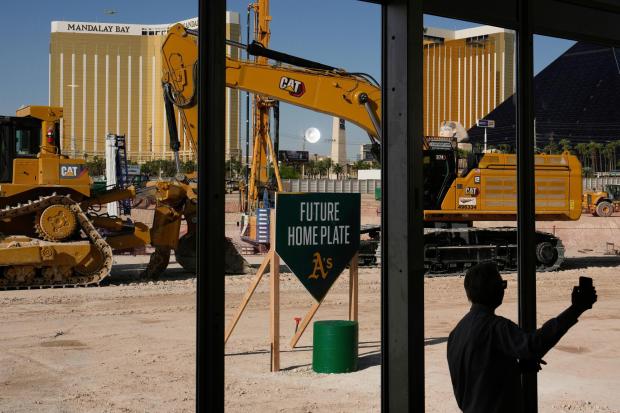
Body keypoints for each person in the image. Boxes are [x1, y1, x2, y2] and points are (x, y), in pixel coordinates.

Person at [447, 261, 597, 413]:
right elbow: (534, 345)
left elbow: (479, 376)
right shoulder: (496, 327)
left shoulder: (456, 333)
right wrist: (576, 309)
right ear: (494, 290)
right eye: (502, 285)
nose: (503, 290)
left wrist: (514, 369)